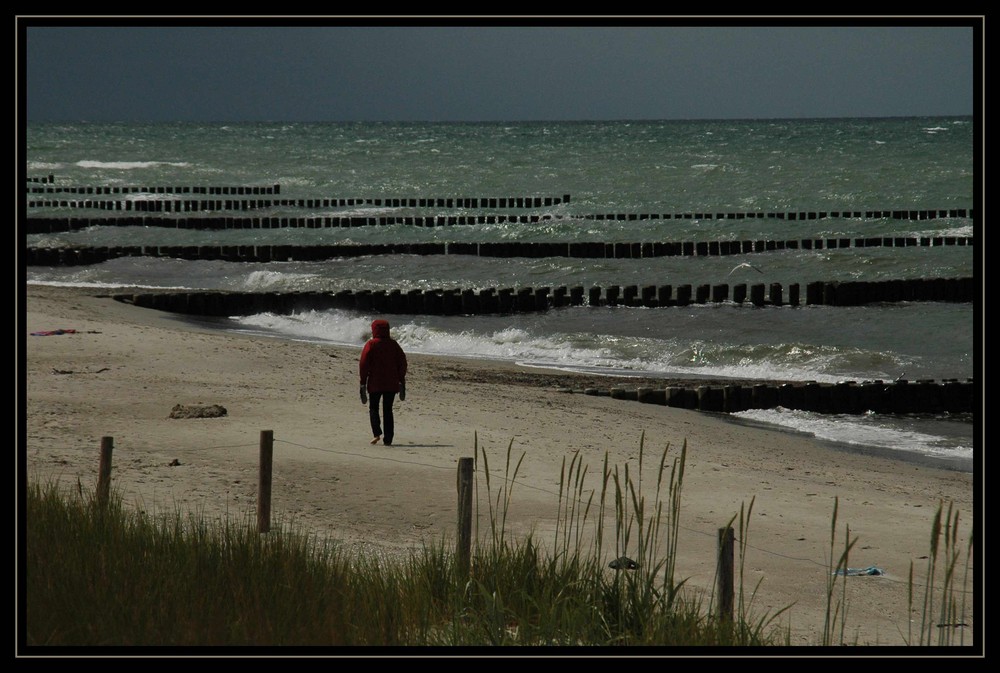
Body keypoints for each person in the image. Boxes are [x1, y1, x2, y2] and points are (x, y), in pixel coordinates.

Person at [359, 319, 408, 446]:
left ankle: (376, 434)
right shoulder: (394, 345)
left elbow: (363, 364)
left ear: (374, 330)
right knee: (388, 410)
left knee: (373, 408)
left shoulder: (371, 344)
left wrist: (363, 382)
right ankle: (388, 438)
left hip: (375, 382)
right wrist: (401, 380)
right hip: (391, 383)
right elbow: (402, 362)